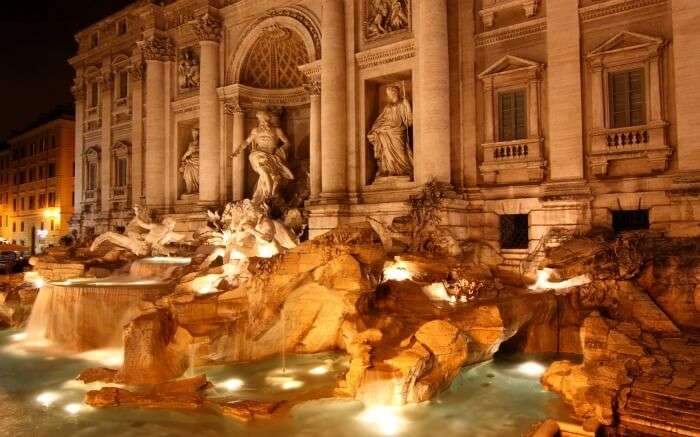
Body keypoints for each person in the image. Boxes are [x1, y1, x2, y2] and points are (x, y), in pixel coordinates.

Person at [231, 111, 294, 204]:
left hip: (273, 156)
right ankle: (269, 193)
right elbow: (246, 142)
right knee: (263, 170)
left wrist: (280, 151)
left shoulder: (277, 130)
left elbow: (287, 143)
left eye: (264, 120)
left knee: (271, 175)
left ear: (268, 120)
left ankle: (266, 196)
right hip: (258, 154)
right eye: (261, 121)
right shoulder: (255, 131)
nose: (263, 123)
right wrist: (238, 150)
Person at [367, 85, 413, 177]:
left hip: (398, 130)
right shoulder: (388, 106)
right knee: (380, 136)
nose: (389, 95)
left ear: (395, 92)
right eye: (388, 94)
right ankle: (388, 168)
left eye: (390, 93)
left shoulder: (403, 102)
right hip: (387, 129)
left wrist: (407, 105)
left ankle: (403, 169)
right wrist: (376, 128)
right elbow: (381, 119)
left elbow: (408, 118)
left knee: (401, 151)